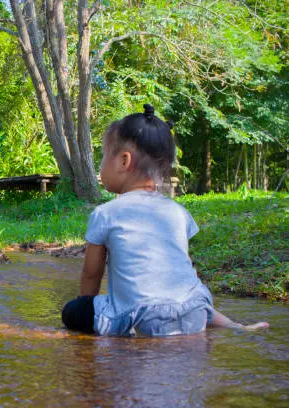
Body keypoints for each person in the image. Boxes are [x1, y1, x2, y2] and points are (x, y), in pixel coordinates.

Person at [62, 104, 269, 336]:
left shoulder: (106, 213)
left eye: (103, 156)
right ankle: (234, 325)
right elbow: (181, 269)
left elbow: (92, 274)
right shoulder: (178, 213)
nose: (100, 165)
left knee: (73, 311)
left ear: (123, 161)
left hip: (145, 318)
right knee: (188, 297)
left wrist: (85, 308)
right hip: (194, 313)